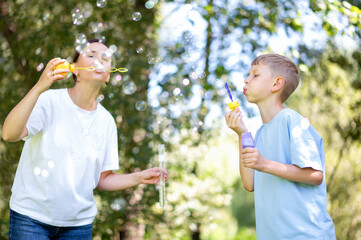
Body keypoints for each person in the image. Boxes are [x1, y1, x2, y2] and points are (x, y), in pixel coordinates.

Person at [2, 39, 167, 240]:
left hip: (77, 226)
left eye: (105, 58)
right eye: (90, 55)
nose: (98, 60)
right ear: (75, 70)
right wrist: (39, 87)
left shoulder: (106, 121)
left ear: (108, 76)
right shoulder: (49, 101)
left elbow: (103, 179)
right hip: (31, 219)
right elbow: (9, 134)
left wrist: (139, 178)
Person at [225, 53, 336, 239]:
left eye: (255, 75)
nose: (246, 80)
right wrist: (242, 133)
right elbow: (249, 183)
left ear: (276, 84)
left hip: (306, 235)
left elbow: (315, 175)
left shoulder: (291, 120)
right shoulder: (259, 133)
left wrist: (264, 164)